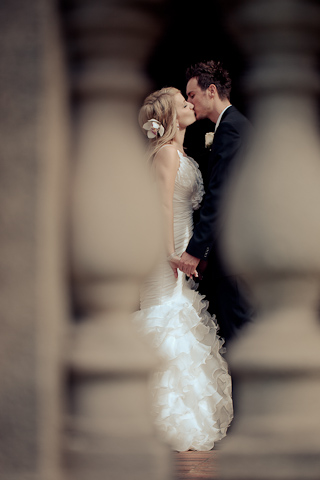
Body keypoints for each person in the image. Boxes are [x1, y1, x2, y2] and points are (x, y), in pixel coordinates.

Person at [132, 87, 233, 452]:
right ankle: (153, 418)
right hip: (165, 253)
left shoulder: (179, 153)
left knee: (180, 323)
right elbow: (160, 206)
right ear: (172, 115)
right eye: (182, 102)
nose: (190, 105)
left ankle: (181, 415)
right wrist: (171, 254)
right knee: (166, 321)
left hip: (181, 250)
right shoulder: (165, 154)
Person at [179, 60, 253, 346]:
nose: (189, 102)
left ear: (211, 91)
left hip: (235, 257)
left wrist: (198, 250)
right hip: (236, 257)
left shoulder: (231, 129)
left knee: (240, 337)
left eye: (192, 95)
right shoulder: (233, 125)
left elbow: (220, 196)